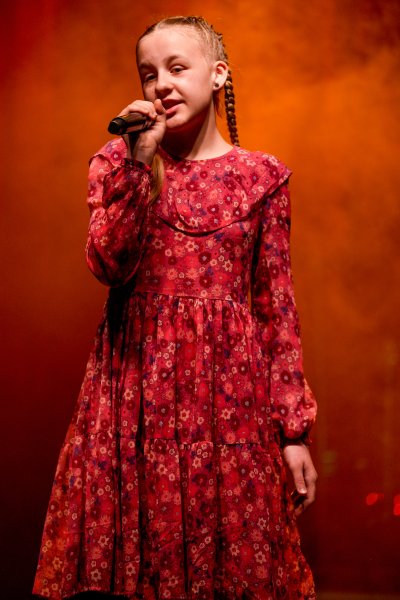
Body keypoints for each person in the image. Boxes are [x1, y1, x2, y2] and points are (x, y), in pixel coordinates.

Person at [33, 15, 318, 600]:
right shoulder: (119, 163)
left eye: (176, 67)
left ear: (218, 75)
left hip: (228, 403)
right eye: (148, 73)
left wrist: (293, 433)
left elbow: (277, 310)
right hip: (136, 394)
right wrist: (140, 163)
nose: (160, 83)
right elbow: (109, 263)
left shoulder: (262, 178)